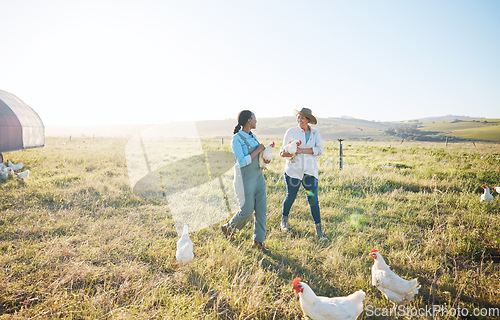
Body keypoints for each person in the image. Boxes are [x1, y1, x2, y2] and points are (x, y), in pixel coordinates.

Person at [221, 110, 271, 253]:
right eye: (254, 118)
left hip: (258, 177)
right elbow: (242, 162)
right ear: (249, 120)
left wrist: (264, 156)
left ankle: (258, 241)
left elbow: (257, 156)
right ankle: (228, 228)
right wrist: (258, 150)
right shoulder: (236, 139)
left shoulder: (253, 136)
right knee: (247, 211)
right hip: (245, 180)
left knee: (261, 211)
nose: (256, 121)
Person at [279, 107, 329, 241]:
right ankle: (284, 221)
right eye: (299, 117)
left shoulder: (315, 134)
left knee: (313, 199)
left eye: (302, 118)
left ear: (308, 120)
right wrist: (285, 153)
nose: (299, 120)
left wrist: (301, 151)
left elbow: (319, 150)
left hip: (310, 172)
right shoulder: (291, 132)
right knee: (291, 196)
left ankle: (319, 230)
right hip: (293, 171)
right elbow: (283, 149)